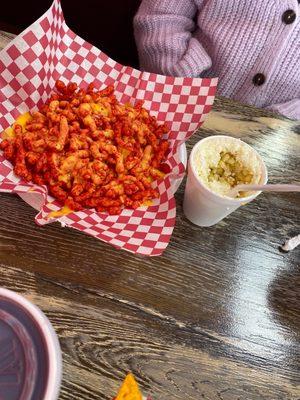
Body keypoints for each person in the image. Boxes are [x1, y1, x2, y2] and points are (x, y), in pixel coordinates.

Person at [134, 0, 300, 120]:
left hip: (276, 143)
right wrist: (184, 83)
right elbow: (160, 18)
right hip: (174, 102)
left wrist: (279, 122)